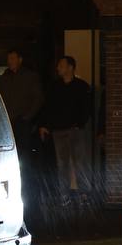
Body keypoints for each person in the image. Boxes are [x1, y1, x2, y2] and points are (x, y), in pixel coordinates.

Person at [39, 56, 94, 204]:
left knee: (79, 162)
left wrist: (80, 123)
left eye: (61, 65)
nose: (58, 68)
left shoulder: (81, 86)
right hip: (59, 130)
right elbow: (48, 107)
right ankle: (64, 194)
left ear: (70, 67)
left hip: (75, 129)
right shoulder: (55, 87)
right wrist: (45, 125)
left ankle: (84, 193)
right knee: (62, 163)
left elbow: (87, 108)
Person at [0, 49, 43, 156]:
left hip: (22, 121)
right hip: (8, 121)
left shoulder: (30, 76)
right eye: (8, 59)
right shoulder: (4, 77)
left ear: (20, 60)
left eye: (12, 58)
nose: (10, 61)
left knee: (24, 152)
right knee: (9, 151)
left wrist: (28, 116)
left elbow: (38, 98)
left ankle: (25, 172)